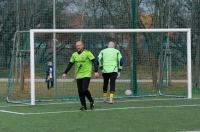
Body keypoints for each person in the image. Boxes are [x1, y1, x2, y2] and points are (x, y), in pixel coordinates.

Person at [62, 41, 99, 111]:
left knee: (84, 89)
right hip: (78, 75)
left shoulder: (87, 53)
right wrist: (65, 73)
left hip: (86, 74)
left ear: (82, 46)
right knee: (80, 91)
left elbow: (95, 61)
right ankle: (83, 105)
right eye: (77, 46)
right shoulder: (74, 55)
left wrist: (96, 71)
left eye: (79, 45)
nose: (78, 47)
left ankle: (91, 101)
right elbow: (70, 64)